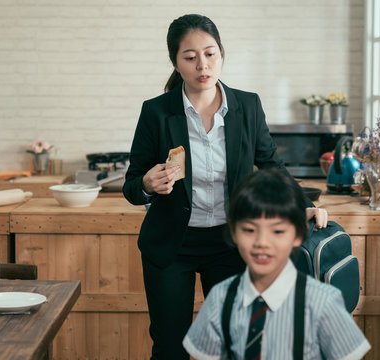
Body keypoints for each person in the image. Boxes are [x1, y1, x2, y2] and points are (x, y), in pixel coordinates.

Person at [123, 14, 328, 359]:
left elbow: (272, 166)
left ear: (221, 54)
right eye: (190, 57)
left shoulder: (247, 106)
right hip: (172, 246)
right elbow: (132, 184)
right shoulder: (156, 112)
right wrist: (146, 183)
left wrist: (299, 205)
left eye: (210, 53)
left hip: (230, 243)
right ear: (175, 61)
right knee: (171, 345)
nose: (202, 65)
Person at [182, 168, 370, 359]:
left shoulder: (325, 303)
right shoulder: (219, 301)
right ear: (233, 231)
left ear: (297, 234)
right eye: (249, 230)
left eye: (277, 231)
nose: (262, 243)